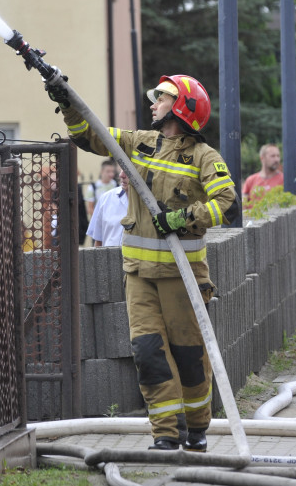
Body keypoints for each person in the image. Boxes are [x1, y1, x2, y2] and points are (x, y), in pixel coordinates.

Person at [47, 73, 239, 453]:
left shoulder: (204, 158)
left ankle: (197, 427)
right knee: (148, 353)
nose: (153, 103)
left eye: (161, 98)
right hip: (138, 276)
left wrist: (183, 218)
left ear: (181, 107)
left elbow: (227, 203)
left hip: (183, 278)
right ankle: (165, 433)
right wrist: (67, 102)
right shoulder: (140, 143)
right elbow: (92, 135)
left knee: (187, 357)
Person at [87, 169, 129, 247]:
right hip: (109, 258)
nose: (121, 175)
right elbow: (98, 241)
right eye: (121, 170)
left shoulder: (151, 203)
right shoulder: (106, 198)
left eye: (127, 170)